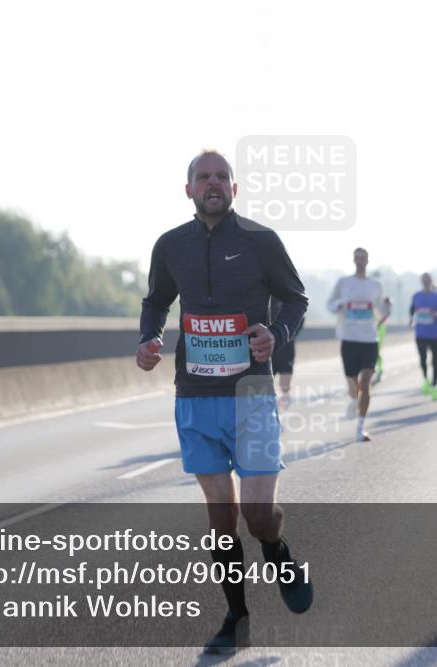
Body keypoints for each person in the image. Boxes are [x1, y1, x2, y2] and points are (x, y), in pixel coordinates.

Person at [136, 150, 313, 654]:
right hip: (194, 396)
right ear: (188, 189)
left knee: (258, 517)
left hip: (251, 393)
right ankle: (237, 618)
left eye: (221, 176)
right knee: (220, 517)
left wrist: (275, 334)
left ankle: (278, 553)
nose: (212, 183)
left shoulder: (261, 242)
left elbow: (296, 298)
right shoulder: (170, 246)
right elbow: (156, 300)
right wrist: (149, 338)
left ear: (235, 188)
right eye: (202, 177)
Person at [327, 247, 390, 442]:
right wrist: (337, 306)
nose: (360, 260)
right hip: (349, 337)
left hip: (369, 339)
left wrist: (388, 305)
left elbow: (382, 309)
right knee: (353, 383)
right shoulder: (344, 283)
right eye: (357, 257)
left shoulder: (375, 284)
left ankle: (360, 427)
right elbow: (330, 303)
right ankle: (354, 402)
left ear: (368, 260)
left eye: (363, 257)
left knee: (365, 383)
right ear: (354, 260)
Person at [410, 273, 437, 399]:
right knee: (422, 358)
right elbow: (412, 309)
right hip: (420, 333)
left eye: (428, 280)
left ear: (431, 281)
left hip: (434, 334)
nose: (426, 282)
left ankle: (435, 385)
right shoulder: (416, 296)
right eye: (424, 280)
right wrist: (411, 320)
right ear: (421, 281)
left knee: (435, 361)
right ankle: (426, 379)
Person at [270, 298, 304, 409]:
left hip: (286, 348)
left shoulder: (288, 295)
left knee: (284, 383)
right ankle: (271, 404)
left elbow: (301, 317)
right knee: (268, 381)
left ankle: (285, 395)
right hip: (270, 348)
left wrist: (294, 333)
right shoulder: (264, 297)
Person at [373, 297, 392, 385]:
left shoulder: (383, 301)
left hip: (380, 329)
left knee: (376, 351)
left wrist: (380, 322)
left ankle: (379, 369)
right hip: (371, 328)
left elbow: (388, 312)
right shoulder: (371, 300)